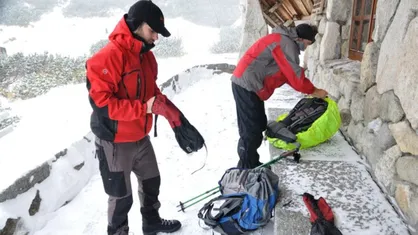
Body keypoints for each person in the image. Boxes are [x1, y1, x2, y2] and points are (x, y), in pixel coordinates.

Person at [85, 1, 184, 234]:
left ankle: (151, 223)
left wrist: (167, 108)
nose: (156, 38)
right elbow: (103, 105)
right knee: (121, 198)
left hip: (141, 136)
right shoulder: (107, 57)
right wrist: (144, 108)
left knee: (152, 183)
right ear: (138, 25)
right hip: (115, 142)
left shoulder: (146, 56)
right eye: (153, 31)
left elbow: (151, 91)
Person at [231, 23, 328, 169]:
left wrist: (308, 89)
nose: (308, 46)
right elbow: (294, 73)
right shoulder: (286, 43)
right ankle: (246, 168)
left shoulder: (284, 41)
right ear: (301, 38)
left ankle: (251, 162)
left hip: (251, 85)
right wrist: (314, 91)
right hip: (247, 84)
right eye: (309, 42)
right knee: (251, 130)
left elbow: (286, 74)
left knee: (258, 124)